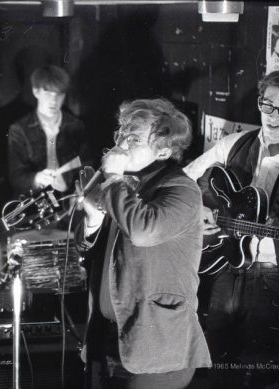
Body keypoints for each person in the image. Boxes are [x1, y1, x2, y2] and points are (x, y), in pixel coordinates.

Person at [184, 69, 279, 385]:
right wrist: (198, 206)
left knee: (262, 366)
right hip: (225, 263)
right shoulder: (233, 144)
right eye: (267, 105)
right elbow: (182, 183)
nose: (274, 115)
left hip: (276, 272)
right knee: (214, 357)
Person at [77, 98, 211, 388]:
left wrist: (112, 177)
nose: (122, 143)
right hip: (108, 339)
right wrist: (92, 219)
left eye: (134, 137)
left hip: (157, 347)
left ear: (163, 149)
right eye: (121, 132)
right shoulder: (125, 185)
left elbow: (142, 231)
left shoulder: (182, 190)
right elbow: (98, 258)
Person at [8, 64, 90, 197]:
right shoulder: (19, 130)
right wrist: (35, 179)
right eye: (47, 92)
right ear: (35, 92)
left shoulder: (76, 125)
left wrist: (79, 190)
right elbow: (16, 177)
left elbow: (87, 164)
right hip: (35, 201)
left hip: (69, 198)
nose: (54, 100)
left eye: (59, 94)